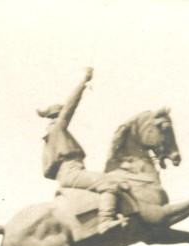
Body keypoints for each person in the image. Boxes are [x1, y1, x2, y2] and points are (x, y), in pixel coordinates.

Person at [38, 66, 124, 235]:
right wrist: (84, 81)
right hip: (72, 171)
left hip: (67, 173)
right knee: (109, 183)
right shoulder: (58, 128)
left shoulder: (49, 137)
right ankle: (105, 222)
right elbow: (72, 105)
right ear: (59, 115)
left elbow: (47, 171)